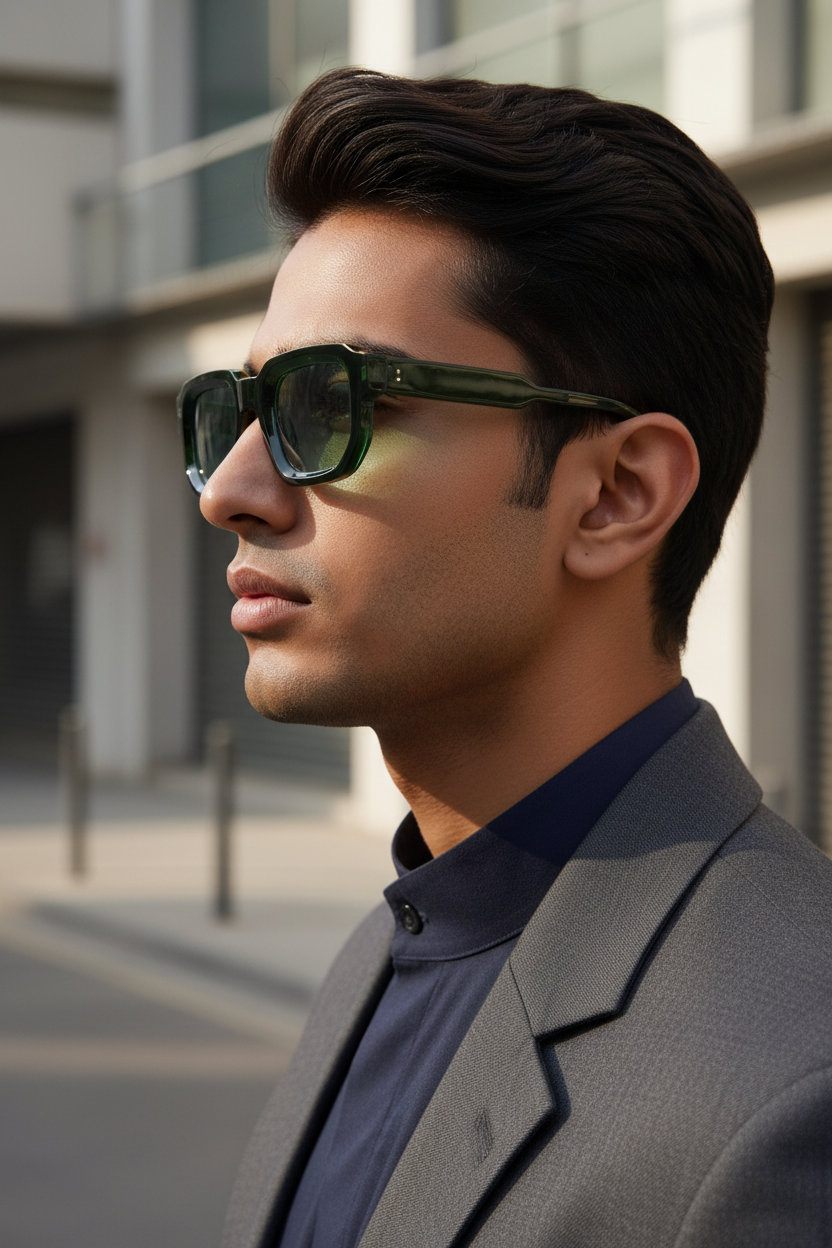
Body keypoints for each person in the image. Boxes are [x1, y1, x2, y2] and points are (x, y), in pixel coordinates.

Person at [179, 69, 832, 1248]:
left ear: (616, 495)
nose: (232, 491)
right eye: (234, 410)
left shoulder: (791, 1087)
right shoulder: (388, 948)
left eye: (329, 408)